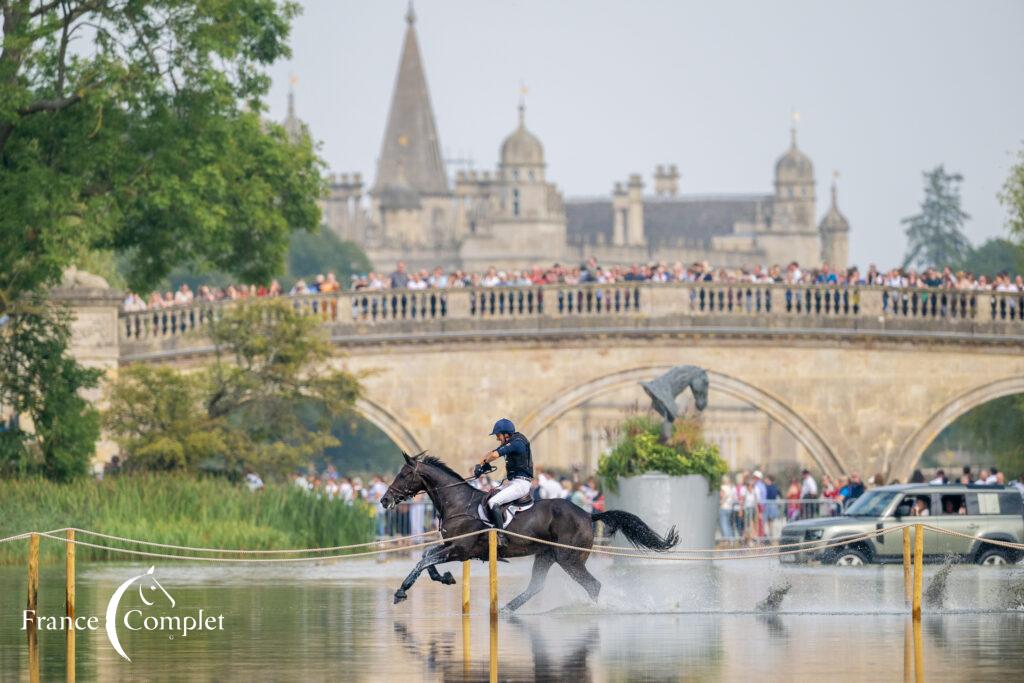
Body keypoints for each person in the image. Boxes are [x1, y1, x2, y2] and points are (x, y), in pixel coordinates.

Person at [476, 418, 534, 546]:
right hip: (513, 482)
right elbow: (491, 453)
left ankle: (501, 537)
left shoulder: (517, 442)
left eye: (498, 435)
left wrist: (485, 464)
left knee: (493, 502)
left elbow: (495, 455)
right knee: (488, 497)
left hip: (521, 484)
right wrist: (479, 466)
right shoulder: (510, 441)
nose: (497, 438)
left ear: (505, 434)